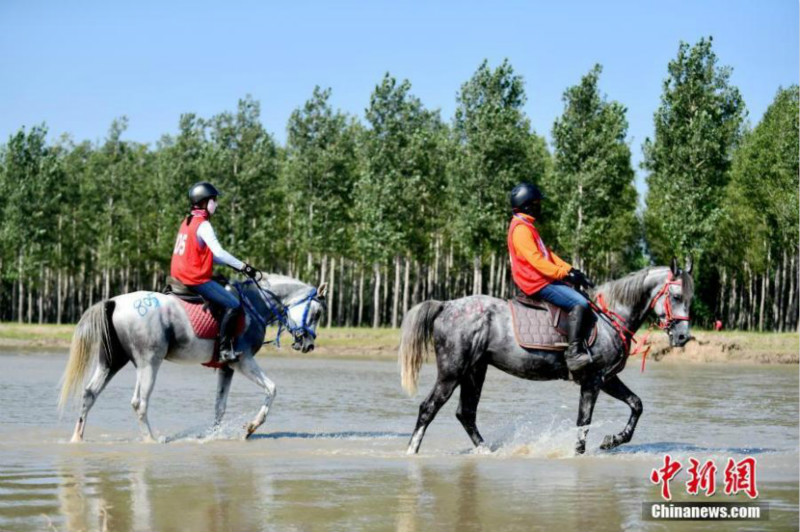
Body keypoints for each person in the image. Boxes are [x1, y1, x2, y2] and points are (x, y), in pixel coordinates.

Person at [507, 182, 595, 373]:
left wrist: (572, 270)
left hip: (541, 278)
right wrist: (565, 274)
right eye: (537, 203)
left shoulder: (527, 226)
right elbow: (538, 261)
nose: (540, 207)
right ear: (527, 205)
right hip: (536, 282)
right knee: (580, 303)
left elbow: (548, 254)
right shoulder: (521, 230)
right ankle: (573, 354)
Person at [170, 182, 259, 362]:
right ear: (204, 202)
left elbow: (212, 256)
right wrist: (245, 267)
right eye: (214, 200)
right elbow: (219, 252)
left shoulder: (187, 221)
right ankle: (225, 351)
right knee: (234, 305)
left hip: (179, 276)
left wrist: (234, 265)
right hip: (194, 278)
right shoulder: (203, 225)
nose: (216, 204)